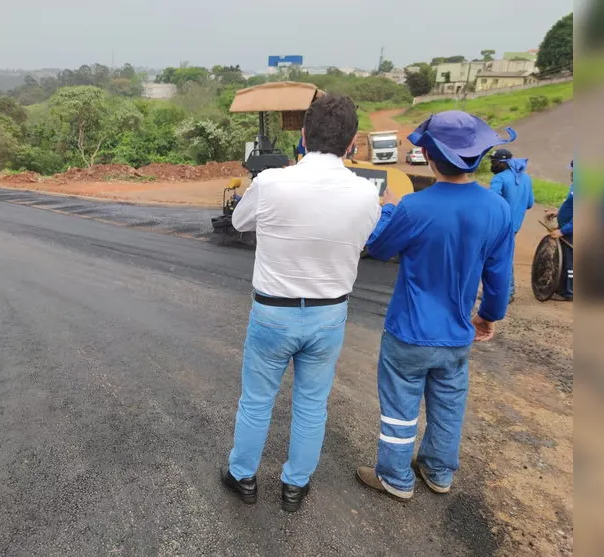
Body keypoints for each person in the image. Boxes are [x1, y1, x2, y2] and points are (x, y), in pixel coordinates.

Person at [221, 93, 381, 513]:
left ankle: (243, 477)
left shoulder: (272, 182)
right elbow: (361, 242)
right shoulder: (366, 194)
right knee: (312, 403)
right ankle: (294, 485)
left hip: (273, 312)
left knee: (257, 400)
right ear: (352, 143)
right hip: (329, 315)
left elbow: (239, 222)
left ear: (304, 136)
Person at [356, 110, 515, 501]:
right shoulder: (497, 209)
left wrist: (390, 207)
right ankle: (438, 471)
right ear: (479, 156)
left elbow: (377, 247)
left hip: (408, 334)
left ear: (429, 157)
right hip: (457, 337)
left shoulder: (415, 207)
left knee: (399, 407)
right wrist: (487, 317)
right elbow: (499, 280)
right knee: (448, 406)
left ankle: (395, 476)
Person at [489, 148, 534, 302]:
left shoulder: (499, 179)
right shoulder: (526, 178)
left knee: (497, 258)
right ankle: (508, 291)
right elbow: (530, 203)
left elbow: (492, 204)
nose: (492, 165)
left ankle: (504, 293)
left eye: (494, 162)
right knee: (505, 256)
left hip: (499, 226)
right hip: (515, 225)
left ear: (503, 163)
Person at [546, 160, 573, 300]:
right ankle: (562, 288)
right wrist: (558, 212)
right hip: (568, 229)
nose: (571, 172)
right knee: (565, 259)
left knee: (570, 262)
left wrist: (563, 231)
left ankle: (568, 292)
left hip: (572, 232)